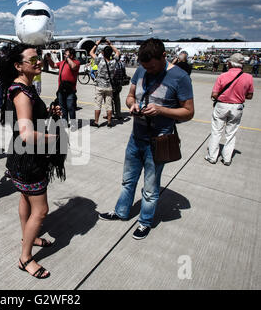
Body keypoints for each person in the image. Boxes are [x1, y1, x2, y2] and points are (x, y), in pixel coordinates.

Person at [99, 38, 194, 240]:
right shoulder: (141, 70)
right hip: (137, 137)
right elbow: (130, 96)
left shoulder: (180, 77)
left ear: (163, 57)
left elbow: (188, 112)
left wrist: (161, 110)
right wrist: (132, 105)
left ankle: (145, 221)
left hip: (158, 141)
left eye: (152, 67)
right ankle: (121, 212)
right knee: (127, 180)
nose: (148, 71)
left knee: (150, 188)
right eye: (144, 67)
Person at [0, 44, 63, 279]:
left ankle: (30, 237)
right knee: (42, 210)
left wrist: (49, 114)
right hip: (28, 159)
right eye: (32, 59)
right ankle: (25, 258)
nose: (38, 62)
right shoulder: (21, 92)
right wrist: (55, 137)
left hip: (21, 157)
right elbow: (26, 134)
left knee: (25, 198)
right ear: (18, 65)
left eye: (39, 57)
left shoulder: (25, 87)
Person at [205, 53, 254, 166]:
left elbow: (214, 94)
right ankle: (227, 158)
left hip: (222, 105)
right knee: (231, 133)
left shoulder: (223, 76)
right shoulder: (248, 77)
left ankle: (212, 156)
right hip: (237, 106)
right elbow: (250, 96)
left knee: (216, 131)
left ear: (230, 63)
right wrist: (239, 95)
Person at [45, 47, 80, 130]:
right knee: (62, 107)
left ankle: (73, 124)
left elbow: (73, 67)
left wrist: (68, 58)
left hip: (70, 89)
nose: (64, 55)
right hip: (61, 89)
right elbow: (53, 65)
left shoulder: (76, 62)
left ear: (71, 55)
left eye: (66, 53)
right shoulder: (62, 63)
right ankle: (64, 122)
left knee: (70, 107)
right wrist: (49, 59)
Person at [89, 39, 120, 127]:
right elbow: (117, 52)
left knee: (98, 104)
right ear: (111, 54)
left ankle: (96, 121)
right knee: (109, 105)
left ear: (103, 53)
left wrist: (97, 44)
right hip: (109, 86)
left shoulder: (100, 60)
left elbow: (91, 52)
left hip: (99, 86)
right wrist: (110, 44)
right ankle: (109, 122)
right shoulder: (114, 62)